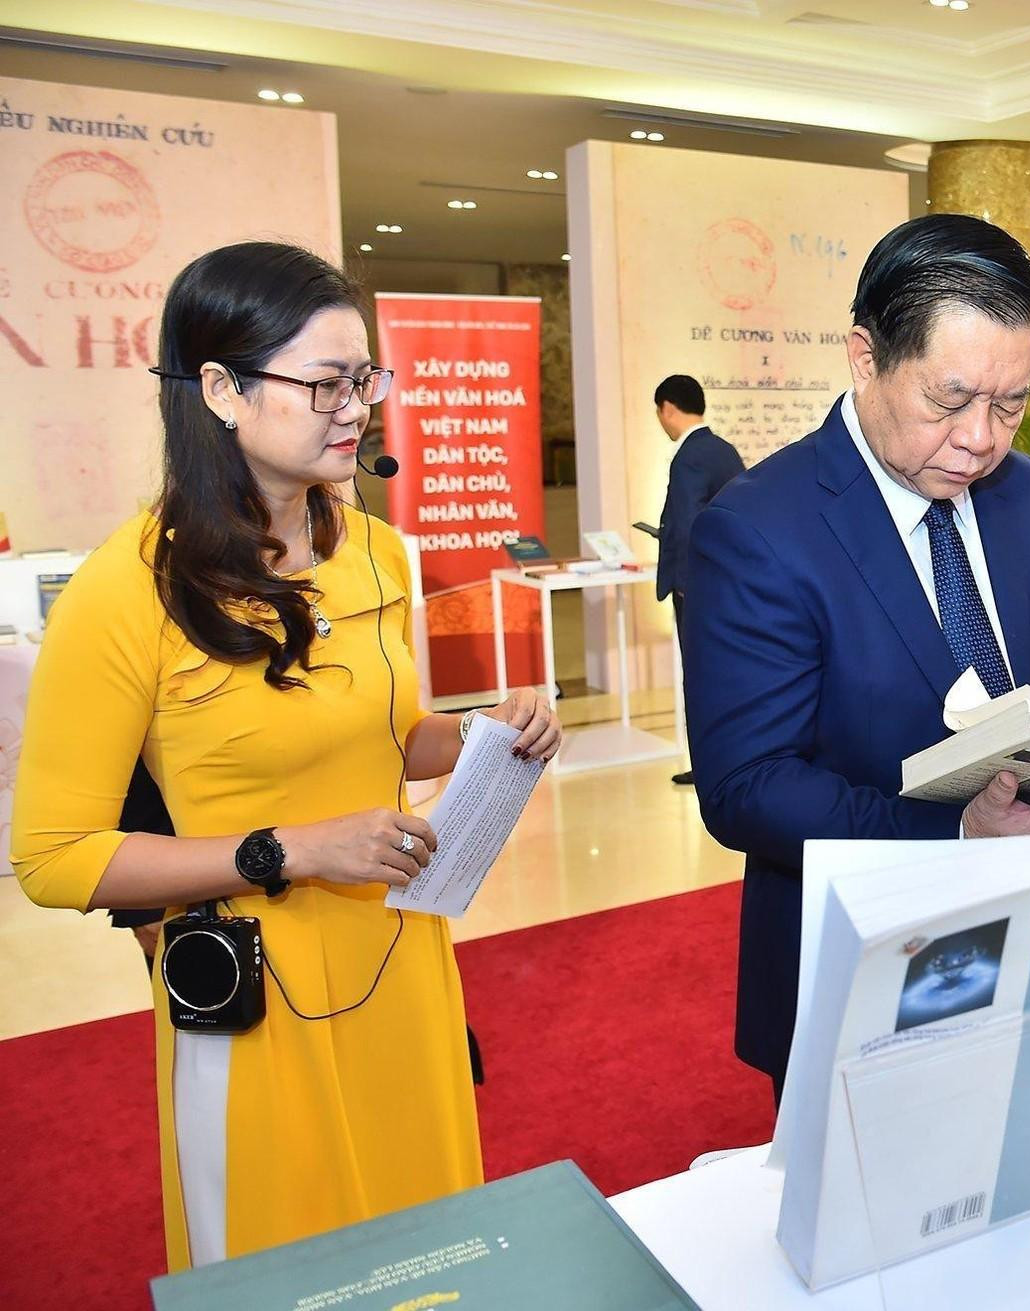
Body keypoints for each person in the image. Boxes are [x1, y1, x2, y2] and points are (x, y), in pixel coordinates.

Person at [8, 241, 562, 1271]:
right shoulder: (125, 591)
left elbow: (388, 736)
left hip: (399, 956)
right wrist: (289, 850)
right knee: (288, 1268)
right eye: (324, 384)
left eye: (365, 380)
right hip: (252, 994)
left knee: (428, 1251)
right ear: (221, 390)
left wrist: (486, 734)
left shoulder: (375, 551)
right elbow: (53, 856)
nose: (356, 410)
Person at [682, 214, 1030, 1094]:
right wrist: (960, 831)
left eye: (1010, 405)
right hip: (866, 960)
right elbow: (748, 786)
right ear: (866, 357)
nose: (981, 438)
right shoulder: (759, 527)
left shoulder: (1027, 492)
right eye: (950, 400)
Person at [651, 374, 746, 786]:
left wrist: (685, 581)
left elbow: (689, 524)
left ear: (668, 408)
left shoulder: (687, 456)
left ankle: (705, 763)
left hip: (697, 586)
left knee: (698, 675)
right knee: (728, 673)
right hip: (728, 581)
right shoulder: (723, 450)